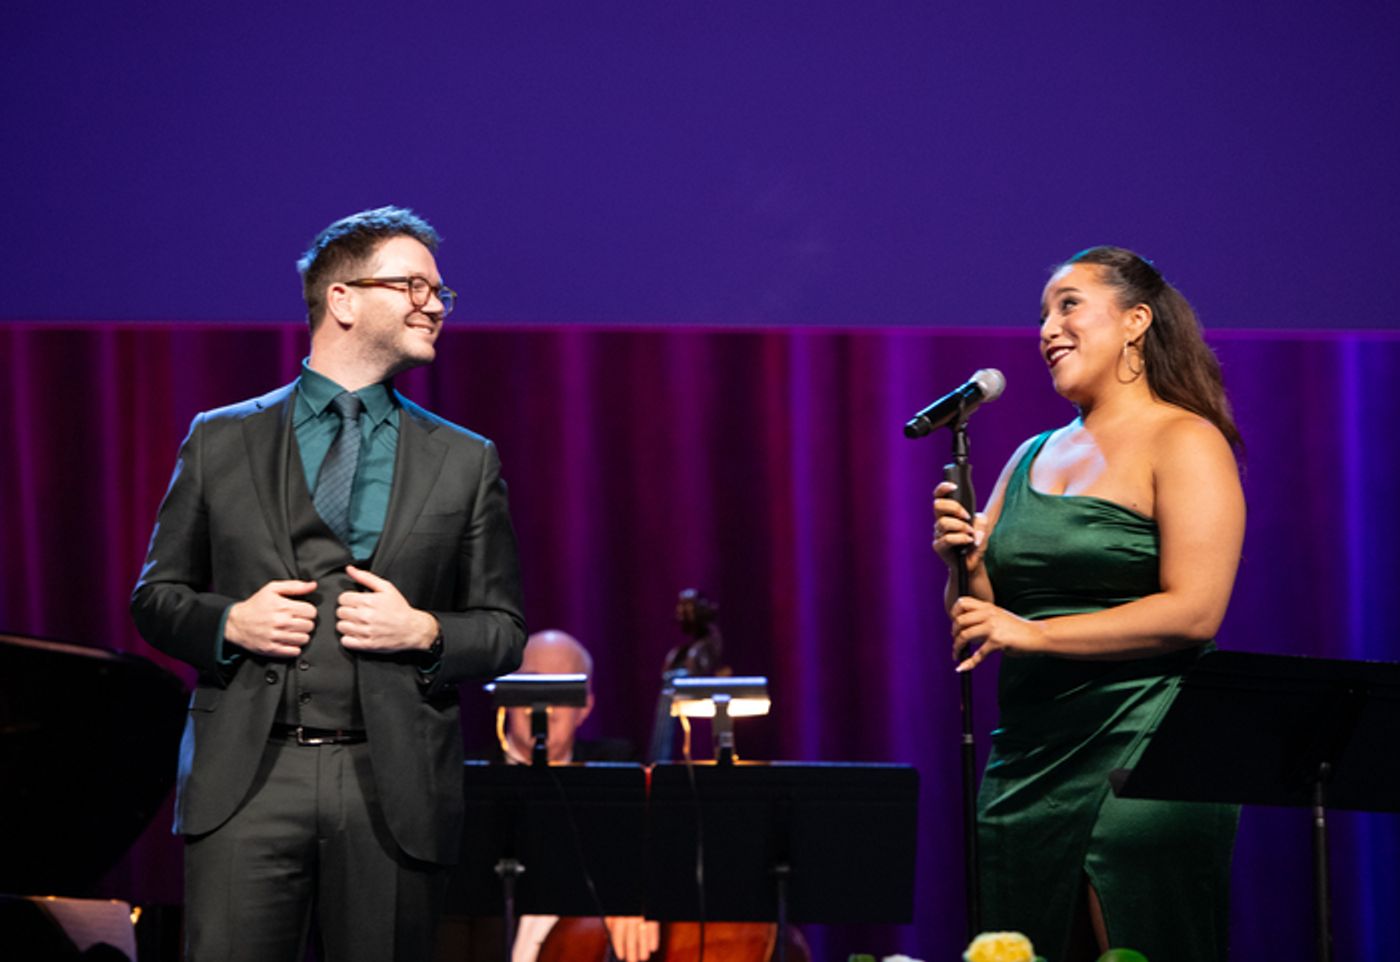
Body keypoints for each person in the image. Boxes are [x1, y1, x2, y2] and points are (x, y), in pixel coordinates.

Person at [131, 206, 526, 962]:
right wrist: (228, 625)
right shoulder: (221, 438)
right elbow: (156, 599)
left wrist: (429, 632)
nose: (433, 304)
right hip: (248, 782)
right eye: (412, 285)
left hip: (391, 788)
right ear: (341, 299)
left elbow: (504, 627)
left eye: (440, 292)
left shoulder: (464, 460)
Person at [933, 246, 1245, 961]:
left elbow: (1195, 611)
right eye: (1042, 314)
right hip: (1029, 758)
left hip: (1147, 749)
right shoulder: (1030, 454)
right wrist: (965, 565)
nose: (1047, 328)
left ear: (1136, 321)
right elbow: (983, 620)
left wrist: (1036, 635)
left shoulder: (1186, 439)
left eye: (1068, 304)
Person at [498, 630, 656, 962]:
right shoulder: (465, 778)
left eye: (563, 686)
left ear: (585, 707)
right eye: (531, 682)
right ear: (505, 694)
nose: (544, 702)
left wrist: (636, 894)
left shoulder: (617, 773)